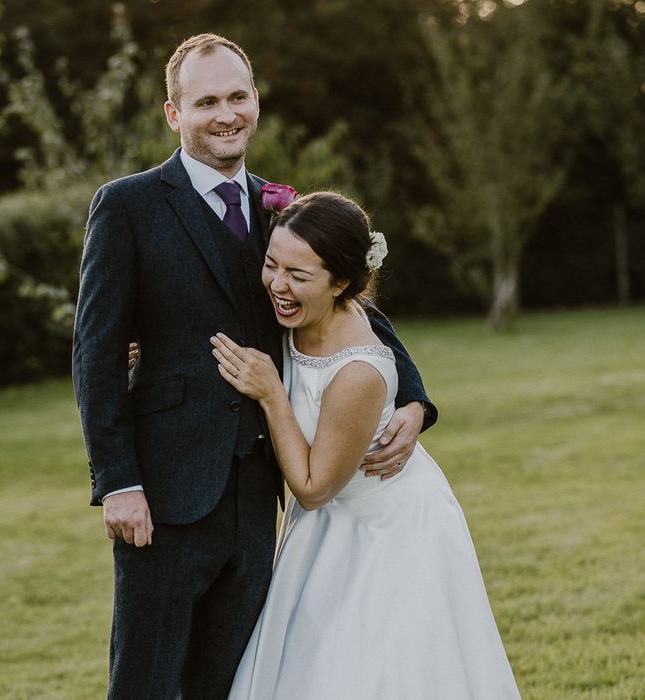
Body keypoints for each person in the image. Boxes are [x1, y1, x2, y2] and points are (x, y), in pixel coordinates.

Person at [72, 33, 436, 699]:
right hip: (164, 495)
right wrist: (117, 479)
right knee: (146, 683)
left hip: (259, 498)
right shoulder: (127, 205)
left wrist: (412, 398)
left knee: (229, 684)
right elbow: (95, 352)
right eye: (206, 100)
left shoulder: (283, 208)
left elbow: (352, 305)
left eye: (237, 96)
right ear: (173, 113)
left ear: (256, 101)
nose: (226, 113)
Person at [213, 192, 520, 699]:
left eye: (299, 275)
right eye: (271, 264)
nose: (277, 285)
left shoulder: (357, 371)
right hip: (323, 529)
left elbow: (312, 489)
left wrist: (272, 395)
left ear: (343, 284)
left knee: (375, 670)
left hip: (381, 529)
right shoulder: (296, 309)